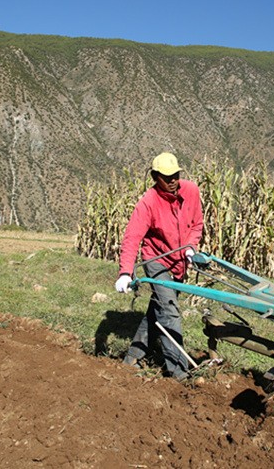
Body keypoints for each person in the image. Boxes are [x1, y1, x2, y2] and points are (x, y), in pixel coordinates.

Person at [115, 152, 204, 381]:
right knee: (170, 310)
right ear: (155, 177)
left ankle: (133, 357)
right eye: (167, 177)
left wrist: (191, 247)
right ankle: (179, 373)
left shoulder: (191, 191)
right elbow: (132, 238)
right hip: (157, 260)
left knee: (158, 309)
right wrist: (125, 272)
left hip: (180, 261)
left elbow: (197, 223)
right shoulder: (148, 203)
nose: (173, 180)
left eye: (175, 174)